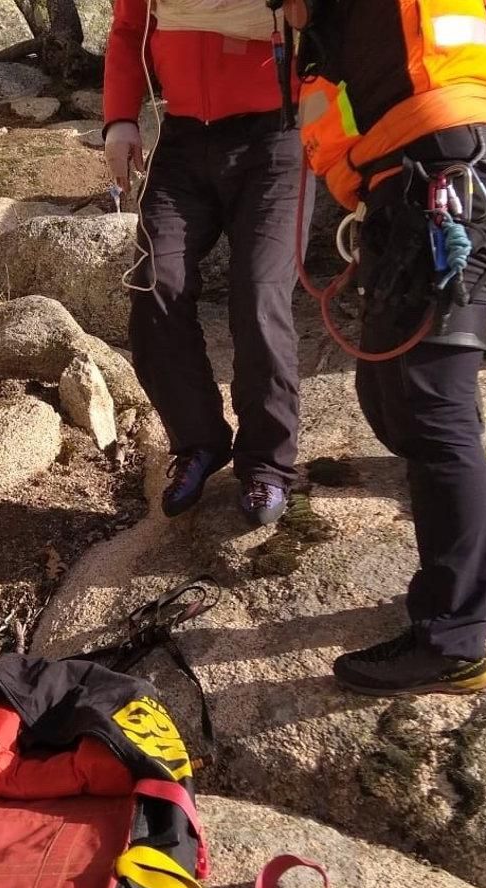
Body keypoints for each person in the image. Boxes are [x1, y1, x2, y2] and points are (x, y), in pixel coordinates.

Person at [285, 0, 486, 696]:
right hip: (419, 180)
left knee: (431, 407)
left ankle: (451, 639)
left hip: (450, 172)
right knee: (391, 397)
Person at [102, 0, 311, 527]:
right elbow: (129, 29)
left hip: (277, 137)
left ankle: (266, 464)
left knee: (260, 295)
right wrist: (120, 119)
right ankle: (198, 442)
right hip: (183, 138)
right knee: (155, 287)